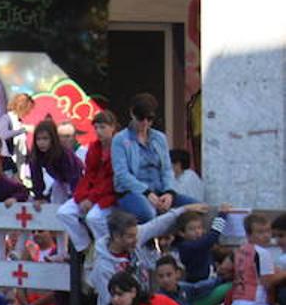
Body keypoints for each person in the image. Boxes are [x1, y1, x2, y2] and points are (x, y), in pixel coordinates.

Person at [111, 93, 198, 223]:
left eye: (150, 118)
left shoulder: (159, 138)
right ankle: (151, 242)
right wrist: (146, 192)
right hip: (132, 192)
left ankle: (179, 241)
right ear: (132, 114)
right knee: (148, 213)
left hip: (160, 190)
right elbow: (122, 174)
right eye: (141, 118)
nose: (145, 122)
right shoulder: (120, 139)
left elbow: (167, 169)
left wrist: (169, 192)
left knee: (197, 208)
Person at [56, 110, 118, 252]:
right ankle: (86, 247)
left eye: (102, 127)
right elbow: (88, 175)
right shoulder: (94, 148)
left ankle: (108, 250)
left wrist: (91, 198)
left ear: (113, 127)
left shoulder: (118, 147)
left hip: (109, 195)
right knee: (64, 212)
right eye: (96, 128)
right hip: (90, 193)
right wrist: (82, 196)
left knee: (94, 218)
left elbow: (111, 180)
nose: (98, 131)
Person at [25, 118, 83, 204]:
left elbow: (75, 176)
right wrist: (39, 197)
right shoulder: (35, 156)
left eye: (45, 139)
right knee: (56, 205)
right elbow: (36, 178)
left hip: (79, 180)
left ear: (53, 139)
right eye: (38, 139)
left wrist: (76, 196)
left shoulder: (64, 154)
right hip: (60, 181)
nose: (41, 143)